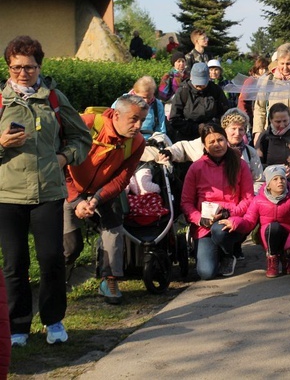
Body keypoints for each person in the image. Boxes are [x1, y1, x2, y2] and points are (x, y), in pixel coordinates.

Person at [0, 35, 92, 347]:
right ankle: (18, 326)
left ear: (40, 66)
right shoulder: (0, 101)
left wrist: (64, 157)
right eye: (15, 68)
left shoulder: (54, 99)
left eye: (29, 67)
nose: (22, 73)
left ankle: (53, 320)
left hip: (48, 192)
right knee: (15, 264)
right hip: (7, 195)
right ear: (8, 67)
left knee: (52, 258)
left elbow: (82, 137)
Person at [63, 95, 148, 305]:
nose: (138, 126)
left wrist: (96, 199)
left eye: (142, 121)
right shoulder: (87, 124)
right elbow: (58, 163)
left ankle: (109, 279)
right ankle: (57, 280)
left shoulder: (137, 143)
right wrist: (76, 200)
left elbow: (121, 179)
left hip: (102, 192)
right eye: (134, 119)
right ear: (117, 115)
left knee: (114, 230)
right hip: (68, 187)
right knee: (71, 245)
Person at [180, 123, 255, 279]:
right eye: (211, 142)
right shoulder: (196, 168)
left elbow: (248, 198)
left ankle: (229, 253)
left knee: (218, 231)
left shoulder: (240, 164)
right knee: (206, 273)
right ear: (205, 146)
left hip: (232, 220)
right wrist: (200, 219)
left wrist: (229, 213)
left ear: (226, 140)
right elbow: (186, 202)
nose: (217, 145)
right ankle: (215, 251)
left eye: (220, 140)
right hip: (205, 223)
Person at [235, 165, 290, 277]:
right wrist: (234, 222)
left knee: (283, 229)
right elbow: (249, 220)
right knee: (273, 227)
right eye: (275, 179)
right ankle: (272, 258)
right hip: (268, 235)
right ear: (268, 185)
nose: (280, 181)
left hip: (288, 235)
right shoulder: (258, 200)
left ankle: (285, 258)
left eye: (282, 178)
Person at [255, 103, 290, 189]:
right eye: (278, 122)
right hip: (272, 187)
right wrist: (277, 171)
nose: (282, 125)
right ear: (270, 120)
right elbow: (257, 165)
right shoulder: (264, 138)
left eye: (285, 121)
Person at [169, 62, 230, 141]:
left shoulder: (216, 90)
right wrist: (197, 128)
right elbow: (174, 120)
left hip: (211, 135)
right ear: (191, 77)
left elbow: (224, 113)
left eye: (203, 83)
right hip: (187, 138)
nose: (200, 86)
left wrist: (211, 125)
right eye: (197, 84)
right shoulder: (182, 92)